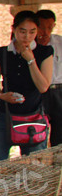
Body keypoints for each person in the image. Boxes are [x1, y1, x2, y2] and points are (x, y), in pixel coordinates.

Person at [0, 10, 53, 161]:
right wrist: (2, 95)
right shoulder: (0, 53)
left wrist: (30, 60)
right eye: (22, 31)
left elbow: (43, 87)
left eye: (32, 32)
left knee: (34, 167)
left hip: (33, 116)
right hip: (4, 115)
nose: (27, 37)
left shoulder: (44, 52)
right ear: (14, 29)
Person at [36, 9, 62, 147]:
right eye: (41, 27)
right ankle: (38, 163)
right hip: (38, 92)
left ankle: (58, 165)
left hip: (59, 91)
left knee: (60, 131)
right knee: (37, 130)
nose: (45, 32)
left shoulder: (60, 43)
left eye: (49, 27)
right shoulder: (29, 45)